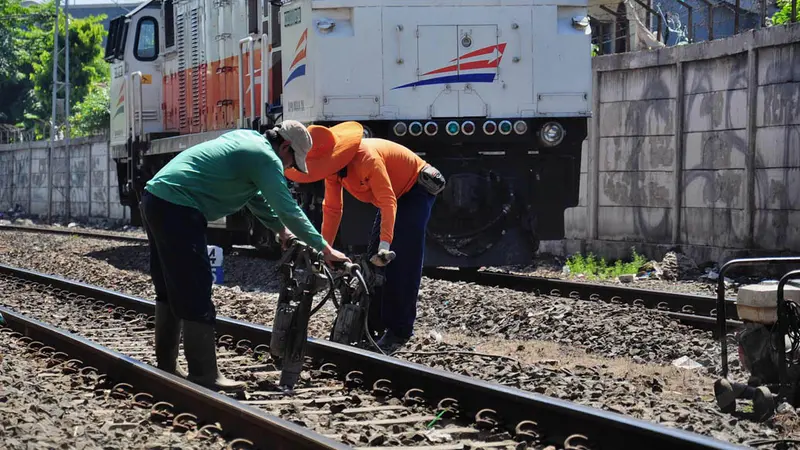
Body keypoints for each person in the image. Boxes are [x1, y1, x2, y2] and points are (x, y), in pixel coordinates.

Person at [140, 120, 350, 391]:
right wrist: (326, 248)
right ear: (285, 146)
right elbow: (289, 208)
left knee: (170, 286)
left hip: (156, 198)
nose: (289, 169)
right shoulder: (265, 157)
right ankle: (204, 375)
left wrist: (281, 231)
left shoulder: (248, 140)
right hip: (178, 207)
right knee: (194, 286)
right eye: (291, 161)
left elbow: (255, 198)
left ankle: (166, 366)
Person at [285, 121, 446, 353]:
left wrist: (385, 244)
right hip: (393, 196)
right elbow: (332, 209)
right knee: (372, 266)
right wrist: (323, 249)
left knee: (399, 261)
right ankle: (373, 324)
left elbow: (388, 200)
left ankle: (399, 331)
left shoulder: (367, 158)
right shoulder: (334, 169)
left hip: (415, 190)